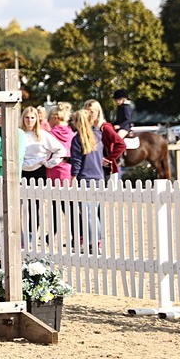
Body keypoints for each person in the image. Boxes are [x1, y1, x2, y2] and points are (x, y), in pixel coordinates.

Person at [70, 106, 105, 253]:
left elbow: (76, 161)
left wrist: (73, 178)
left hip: (85, 178)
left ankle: (93, 243)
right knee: (93, 212)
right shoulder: (97, 135)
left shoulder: (77, 139)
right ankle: (97, 242)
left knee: (88, 212)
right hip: (98, 177)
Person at [19, 106, 67, 181]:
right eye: (27, 117)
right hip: (21, 171)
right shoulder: (18, 134)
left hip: (39, 172)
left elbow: (61, 150)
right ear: (23, 118)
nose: (29, 120)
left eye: (32, 118)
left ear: (36, 119)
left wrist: (49, 163)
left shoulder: (43, 134)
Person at [87, 99, 127, 183]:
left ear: (98, 112)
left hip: (107, 171)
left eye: (91, 112)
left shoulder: (105, 127)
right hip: (91, 170)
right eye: (86, 112)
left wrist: (109, 159)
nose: (89, 115)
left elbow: (121, 144)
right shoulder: (87, 129)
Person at [44, 103, 75, 184]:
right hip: (69, 168)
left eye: (49, 117)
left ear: (55, 118)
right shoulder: (71, 133)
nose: (47, 120)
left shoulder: (51, 134)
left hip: (54, 168)